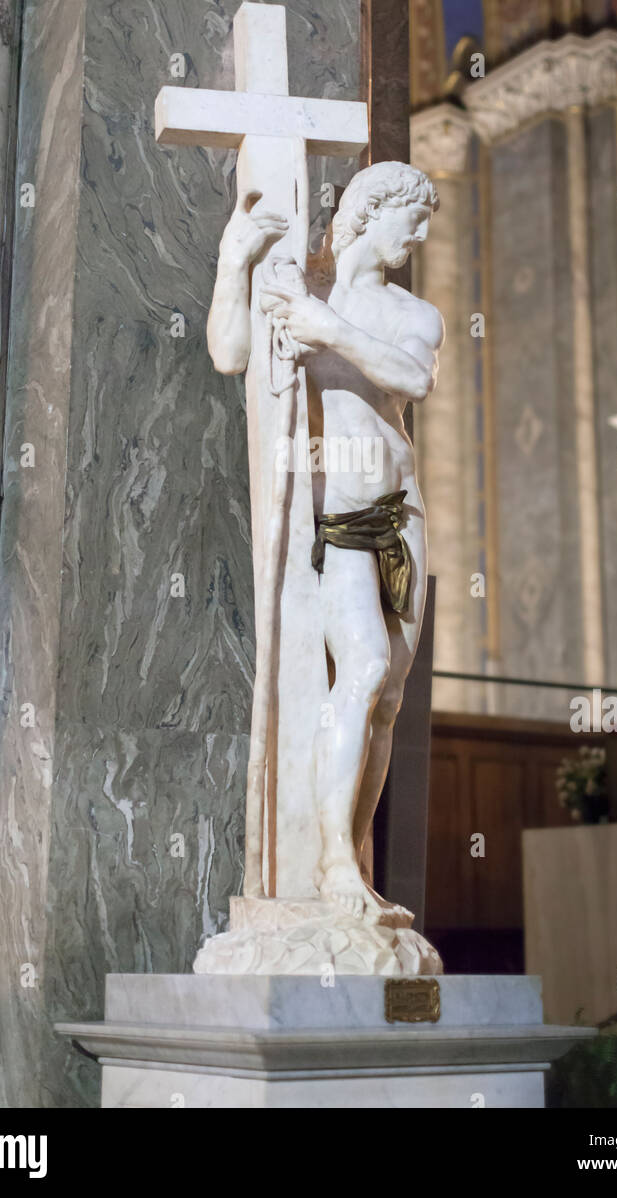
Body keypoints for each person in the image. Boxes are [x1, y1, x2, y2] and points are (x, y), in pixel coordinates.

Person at [209, 162, 443, 921]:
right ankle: (332, 860)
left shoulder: (413, 312)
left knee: (390, 697)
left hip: (403, 513)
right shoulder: (294, 287)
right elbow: (228, 353)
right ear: (367, 214)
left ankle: (354, 860)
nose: (422, 233)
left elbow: (411, 378)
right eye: (411, 217)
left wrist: (328, 328)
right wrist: (234, 261)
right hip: (336, 519)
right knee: (366, 663)